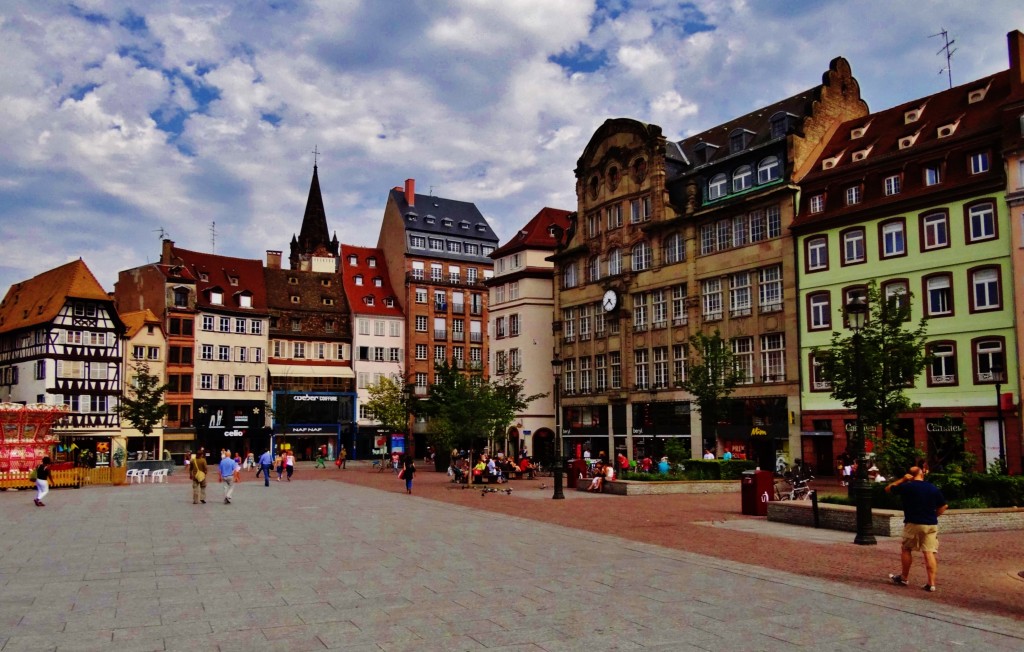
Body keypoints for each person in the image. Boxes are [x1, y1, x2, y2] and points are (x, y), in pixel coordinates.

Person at [885, 465, 948, 592]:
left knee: (906, 549)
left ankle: (904, 577)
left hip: (913, 523)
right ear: (922, 474)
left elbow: (888, 489)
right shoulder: (932, 487)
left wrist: (903, 479)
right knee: (929, 552)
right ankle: (931, 583)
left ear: (910, 475)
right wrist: (933, 516)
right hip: (931, 524)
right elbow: (944, 506)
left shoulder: (906, 487)